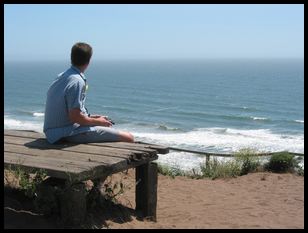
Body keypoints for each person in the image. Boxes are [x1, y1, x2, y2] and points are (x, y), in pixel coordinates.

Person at [43, 42, 134, 144]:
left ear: (71, 58)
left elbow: (71, 113)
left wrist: (92, 117)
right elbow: (75, 117)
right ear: (89, 60)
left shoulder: (62, 76)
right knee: (129, 137)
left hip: (53, 132)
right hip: (64, 133)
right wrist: (99, 122)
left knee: (106, 126)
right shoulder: (77, 81)